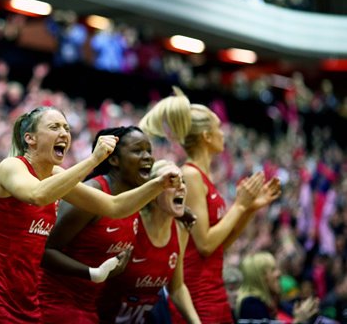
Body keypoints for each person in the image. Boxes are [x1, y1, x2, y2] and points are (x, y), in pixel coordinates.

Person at [0, 107, 181, 323]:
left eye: (66, 128)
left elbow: (114, 207)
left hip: (26, 302)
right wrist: (93, 160)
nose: (64, 132)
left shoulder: (56, 174)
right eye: (54, 127)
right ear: (30, 138)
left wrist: (158, 185)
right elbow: (37, 194)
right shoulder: (12, 166)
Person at [139, 87, 282, 323]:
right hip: (198, 292)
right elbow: (204, 244)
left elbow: (220, 244)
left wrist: (250, 208)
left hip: (213, 288)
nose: (223, 133)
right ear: (206, 136)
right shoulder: (191, 175)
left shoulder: (204, 177)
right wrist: (239, 205)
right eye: (218, 127)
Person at [39, 126, 151, 323]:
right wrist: (94, 273)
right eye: (137, 150)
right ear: (114, 159)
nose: (147, 157)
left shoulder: (134, 199)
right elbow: (45, 251)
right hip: (55, 304)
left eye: (149, 151)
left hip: (90, 306)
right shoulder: (90, 196)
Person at [97, 159, 201, 324]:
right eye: (171, 182)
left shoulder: (181, 229)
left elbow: (177, 287)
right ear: (152, 193)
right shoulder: (131, 224)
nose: (181, 187)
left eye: (183, 181)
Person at [237, 251, 319, 323]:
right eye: (273, 270)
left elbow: (300, 314)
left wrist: (307, 314)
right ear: (258, 278)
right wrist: (299, 321)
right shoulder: (251, 306)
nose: (279, 273)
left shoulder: (278, 305)